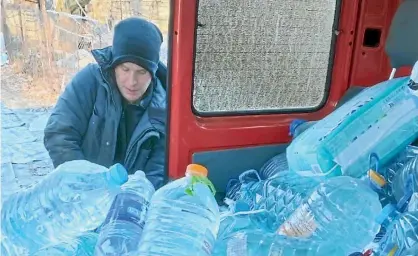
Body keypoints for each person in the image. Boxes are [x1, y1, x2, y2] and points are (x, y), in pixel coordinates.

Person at [44, 17, 167, 189]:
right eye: (125, 69)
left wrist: (136, 197)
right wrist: (85, 184)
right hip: (82, 191)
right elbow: (59, 134)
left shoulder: (164, 109)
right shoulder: (89, 82)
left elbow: (158, 170)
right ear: (113, 65)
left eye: (141, 72)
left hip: (132, 202)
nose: (132, 81)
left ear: (152, 73)